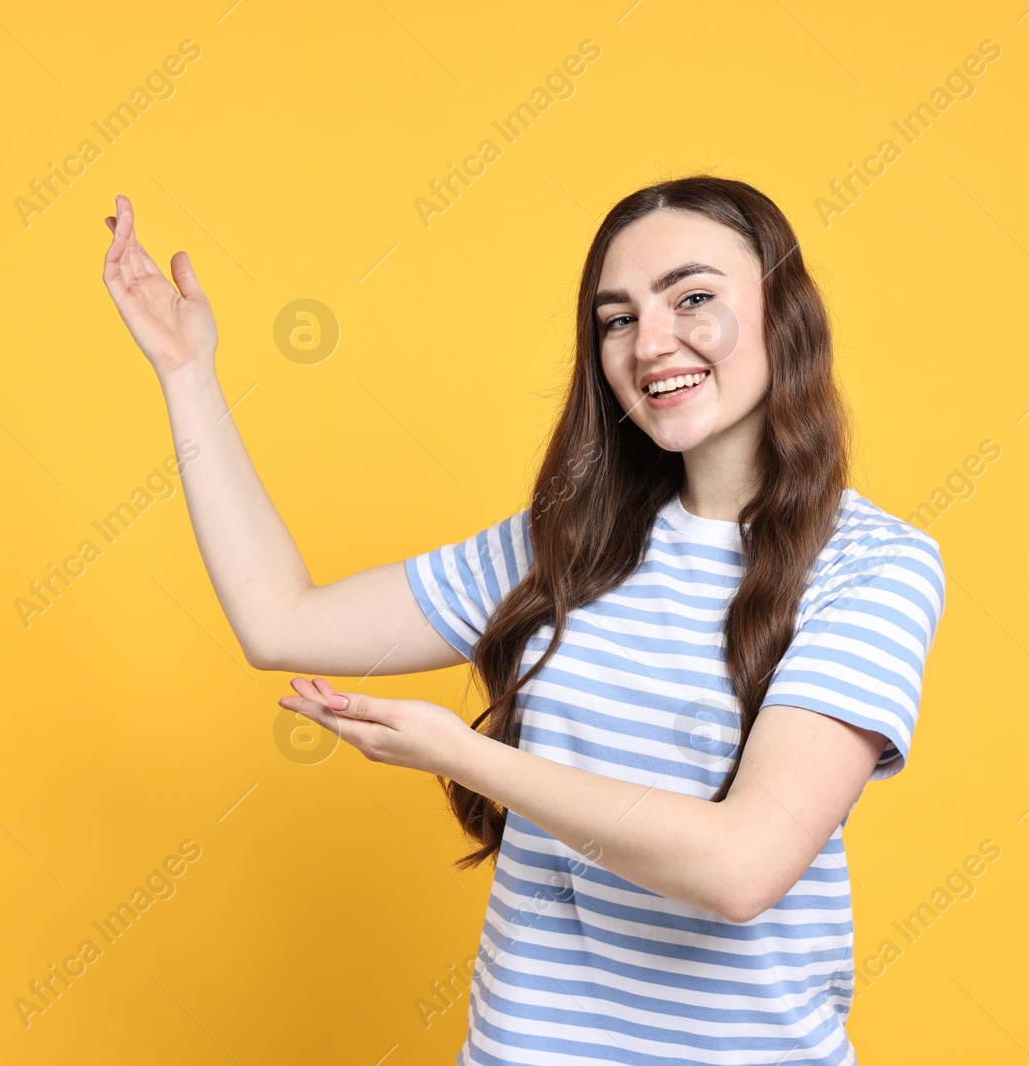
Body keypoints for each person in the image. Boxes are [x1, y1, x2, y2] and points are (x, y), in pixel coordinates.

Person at [102, 174, 947, 1065]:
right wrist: (187, 373)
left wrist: (468, 757)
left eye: (693, 298)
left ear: (785, 311)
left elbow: (742, 868)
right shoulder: (567, 541)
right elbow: (280, 622)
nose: (650, 343)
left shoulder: (872, 564)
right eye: (616, 318)